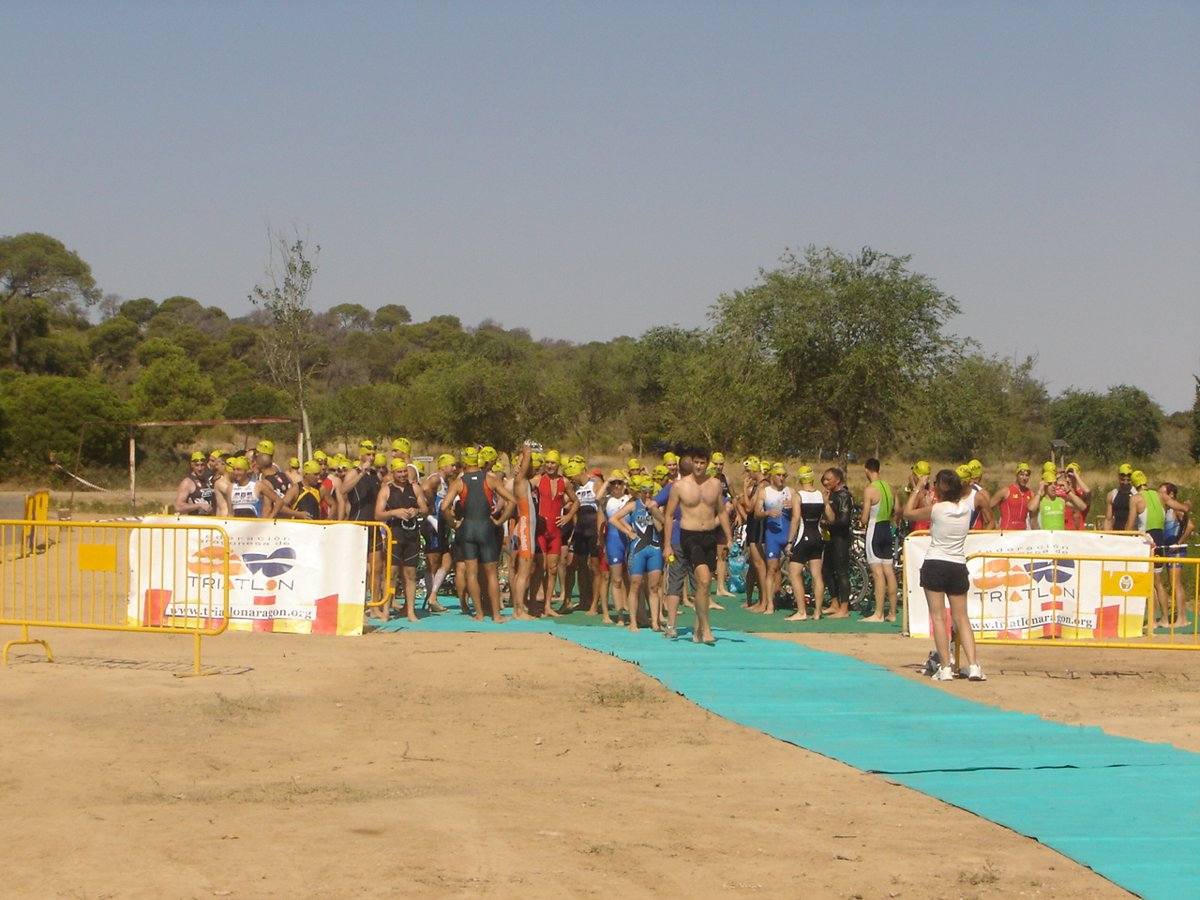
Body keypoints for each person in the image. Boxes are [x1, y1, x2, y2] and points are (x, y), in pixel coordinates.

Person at [903, 468, 986, 682]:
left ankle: (946, 667)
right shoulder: (965, 509)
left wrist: (918, 487)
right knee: (962, 617)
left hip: (936, 563)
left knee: (939, 617)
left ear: (939, 489)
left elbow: (907, 512)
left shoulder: (937, 510)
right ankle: (974, 665)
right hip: (958, 565)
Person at [663, 448, 732, 644]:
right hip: (689, 536)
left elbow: (721, 511)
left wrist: (728, 537)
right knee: (703, 578)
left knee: (704, 585)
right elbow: (668, 515)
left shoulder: (715, 484)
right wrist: (667, 544)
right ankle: (706, 628)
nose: (699, 466)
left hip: (709, 535)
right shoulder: (680, 486)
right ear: (691, 463)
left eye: (702, 463)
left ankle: (697, 630)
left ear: (707, 464)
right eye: (696, 462)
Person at [440, 447, 517, 623]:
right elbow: (512, 500)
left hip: (467, 529)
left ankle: (479, 614)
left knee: (471, 573)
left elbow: (444, 507)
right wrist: (500, 521)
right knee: (491, 574)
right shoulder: (490, 479)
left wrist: (454, 524)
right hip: (485, 528)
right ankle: (496, 615)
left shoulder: (459, 482)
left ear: (464, 462)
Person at [376, 457, 430, 622]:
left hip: (412, 535)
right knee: (391, 573)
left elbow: (425, 509)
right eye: (399, 472)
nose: (403, 475)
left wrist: (416, 511)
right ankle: (386, 611)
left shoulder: (415, 488)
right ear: (393, 473)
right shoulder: (386, 490)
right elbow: (378, 514)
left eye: (405, 471)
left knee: (410, 574)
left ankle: (410, 611)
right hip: (395, 534)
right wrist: (394, 512)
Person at [611, 476, 666, 631]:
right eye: (644, 492)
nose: (647, 495)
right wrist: (628, 531)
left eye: (650, 492)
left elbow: (661, 526)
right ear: (640, 492)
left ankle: (655, 622)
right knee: (635, 585)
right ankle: (633, 622)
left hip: (654, 548)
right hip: (638, 549)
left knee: (654, 587)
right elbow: (614, 518)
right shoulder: (633, 505)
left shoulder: (656, 506)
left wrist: (654, 512)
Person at [785, 466, 825, 621]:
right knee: (817, 575)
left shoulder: (798, 496)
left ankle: (801, 611)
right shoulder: (821, 495)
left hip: (803, 537)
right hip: (818, 537)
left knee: (794, 573)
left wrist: (790, 541)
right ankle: (818, 612)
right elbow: (829, 515)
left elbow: (796, 519)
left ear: (800, 479)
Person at [751, 462, 792, 615]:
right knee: (772, 569)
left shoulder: (791, 491)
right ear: (773, 476)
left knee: (795, 570)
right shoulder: (765, 492)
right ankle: (769, 604)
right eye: (778, 475)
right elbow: (756, 514)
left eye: (784, 475)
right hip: (773, 536)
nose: (781, 478)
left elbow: (799, 512)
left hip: (787, 534)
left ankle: (793, 601)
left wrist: (793, 505)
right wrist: (767, 513)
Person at [860, 458, 898, 623]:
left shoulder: (870, 490)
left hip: (874, 530)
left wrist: (861, 521)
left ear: (866, 470)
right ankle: (893, 613)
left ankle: (879, 613)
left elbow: (865, 517)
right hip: (887, 529)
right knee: (889, 571)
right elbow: (898, 510)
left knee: (877, 573)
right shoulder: (891, 488)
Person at [507, 443, 539, 621]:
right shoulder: (519, 481)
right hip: (525, 528)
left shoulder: (524, 482)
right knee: (524, 571)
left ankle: (518, 608)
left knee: (523, 570)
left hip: (526, 527)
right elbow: (525, 463)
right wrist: (526, 451)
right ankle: (519, 610)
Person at [821, 467, 854, 618]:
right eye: (824, 479)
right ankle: (834, 603)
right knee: (826, 570)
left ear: (838, 480)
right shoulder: (832, 494)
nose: (825, 482)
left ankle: (844, 608)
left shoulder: (844, 495)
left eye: (828, 479)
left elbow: (844, 521)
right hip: (831, 537)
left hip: (841, 538)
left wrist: (829, 524)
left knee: (842, 572)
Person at [1160, 483, 1193, 628]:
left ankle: (1182, 618)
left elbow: (1190, 526)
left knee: (1176, 584)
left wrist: (1178, 543)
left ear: (1171, 495)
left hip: (1176, 551)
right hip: (1168, 551)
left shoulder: (1176, 510)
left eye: (1162, 492)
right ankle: (1180, 616)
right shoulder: (1167, 510)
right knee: (1173, 584)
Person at [991, 463, 1033, 530]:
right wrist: (995, 524)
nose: (1024, 478)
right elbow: (988, 507)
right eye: (1022, 475)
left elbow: (1034, 517)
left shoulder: (1030, 494)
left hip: (1023, 532)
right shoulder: (1006, 491)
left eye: (1027, 475)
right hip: (1006, 531)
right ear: (1016, 475)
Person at [175, 451, 216, 515]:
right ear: (192, 466)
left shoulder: (207, 479)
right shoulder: (187, 482)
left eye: (202, 465)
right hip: (195, 519)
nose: (200, 468)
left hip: (209, 519)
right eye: (197, 465)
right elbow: (178, 506)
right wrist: (199, 506)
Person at [1104, 463, 1137, 531]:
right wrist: (1105, 534)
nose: (1125, 483)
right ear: (1119, 478)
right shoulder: (1112, 495)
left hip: (1132, 533)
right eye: (1123, 480)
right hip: (1117, 532)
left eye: (1128, 480)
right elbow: (1108, 520)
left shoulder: (1136, 494)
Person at [1063, 463, 1092, 530]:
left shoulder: (1081, 493)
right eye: (1066, 476)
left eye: (1070, 476)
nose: (1067, 479)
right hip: (1065, 532)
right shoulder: (1063, 494)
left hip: (1079, 532)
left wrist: (1076, 475)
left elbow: (1087, 492)